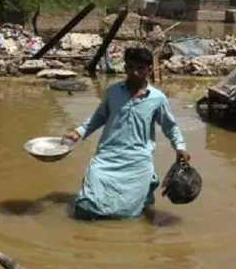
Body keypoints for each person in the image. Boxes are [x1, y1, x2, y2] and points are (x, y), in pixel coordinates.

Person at [63, 46, 191, 221]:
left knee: (133, 212)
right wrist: (78, 132)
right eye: (130, 67)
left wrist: (180, 147)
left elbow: (170, 126)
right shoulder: (113, 92)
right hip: (107, 157)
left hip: (138, 160)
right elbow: (99, 117)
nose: (134, 72)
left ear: (149, 70)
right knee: (86, 205)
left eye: (140, 68)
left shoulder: (157, 98)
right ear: (125, 67)